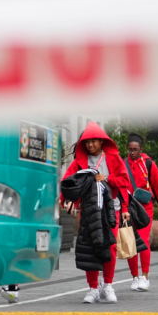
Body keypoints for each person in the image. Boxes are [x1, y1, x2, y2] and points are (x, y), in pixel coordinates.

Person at [59, 121, 131, 304]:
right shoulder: (79, 162)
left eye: (94, 141)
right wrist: (66, 200)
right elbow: (68, 183)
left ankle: (108, 285)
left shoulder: (113, 158)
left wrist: (107, 178)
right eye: (87, 142)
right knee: (89, 250)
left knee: (110, 247)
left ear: (101, 141)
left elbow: (124, 181)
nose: (90, 145)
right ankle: (92, 288)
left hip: (110, 210)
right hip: (88, 212)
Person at [124, 133, 158, 291]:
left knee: (142, 242)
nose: (132, 152)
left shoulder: (149, 164)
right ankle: (135, 277)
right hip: (127, 209)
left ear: (141, 149)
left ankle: (145, 276)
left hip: (145, 209)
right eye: (130, 150)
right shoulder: (122, 164)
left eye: (135, 149)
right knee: (130, 244)